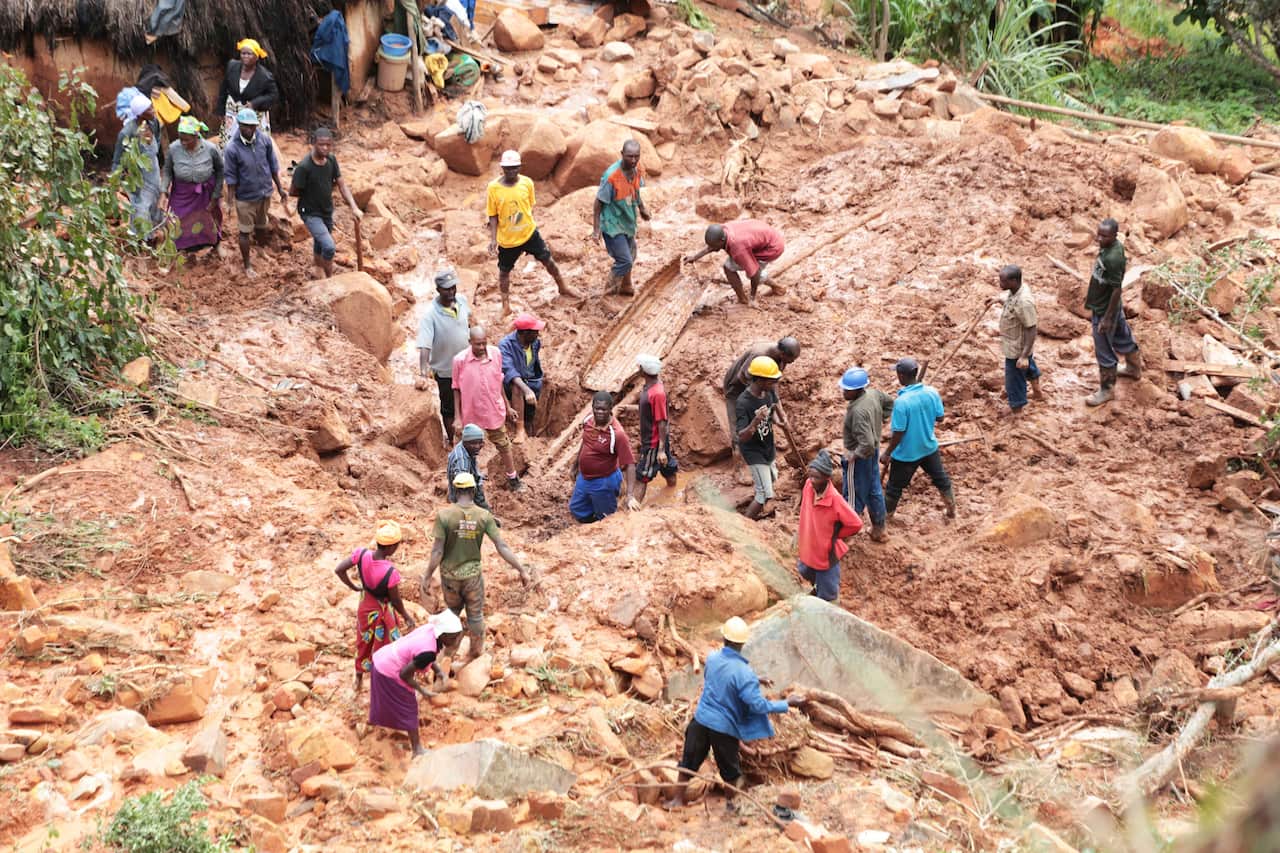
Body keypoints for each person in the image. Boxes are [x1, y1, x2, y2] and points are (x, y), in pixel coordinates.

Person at [665, 617, 804, 812]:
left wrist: (755, 679)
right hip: (723, 728)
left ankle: (677, 800)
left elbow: (722, 676)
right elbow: (757, 705)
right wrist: (786, 703)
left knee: (688, 761)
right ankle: (731, 806)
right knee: (730, 771)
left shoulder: (712, 658)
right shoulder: (744, 673)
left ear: (724, 639)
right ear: (742, 644)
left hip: (701, 720)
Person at [420, 473, 534, 663]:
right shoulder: (483, 516)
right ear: (473, 490)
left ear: (454, 490)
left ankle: (447, 654)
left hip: (449, 577)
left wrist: (427, 576)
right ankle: (475, 653)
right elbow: (501, 546)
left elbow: (437, 551)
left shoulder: (444, 516)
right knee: (475, 615)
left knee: (452, 613)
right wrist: (521, 570)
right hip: (472, 577)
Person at [486, 150, 580, 316]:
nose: (511, 171)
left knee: (548, 260)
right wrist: (493, 239)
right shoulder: (493, 188)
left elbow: (529, 206)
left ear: (520, 167)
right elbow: (492, 215)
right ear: (502, 168)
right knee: (504, 272)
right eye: (507, 168)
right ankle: (505, 305)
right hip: (508, 240)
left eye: (514, 167)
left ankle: (563, 287)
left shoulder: (527, 183)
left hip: (529, 233)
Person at [332, 520, 417, 691]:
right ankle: (383, 678)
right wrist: (407, 616)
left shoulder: (361, 554)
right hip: (381, 609)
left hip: (365, 604)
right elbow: (396, 600)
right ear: (390, 547)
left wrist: (354, 587)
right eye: (397, 545)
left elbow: (339, 569)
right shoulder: (390, 572)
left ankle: (358, 677)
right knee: (387, 643)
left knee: (363, 641)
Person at [368, 610, 463, 756]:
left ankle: (381, 721)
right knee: (409, 707)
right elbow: (405, 674)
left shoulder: (430, 629)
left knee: (390, 699)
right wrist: (423, 691)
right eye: (454, 637)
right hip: (388, 669)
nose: (456, 642)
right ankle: (417, 749)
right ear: (443, 635)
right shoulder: (428, 651)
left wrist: (439, 671)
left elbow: (424, 655)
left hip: (382, 658)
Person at [881, 358, 955, 521]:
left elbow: (899, 433)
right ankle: (951, 509)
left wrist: (887, 453)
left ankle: (885, 519)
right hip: (928, 447)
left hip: (907, 454)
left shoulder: (901, 402)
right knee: (941, 479)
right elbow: (940, 417)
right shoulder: (931, 392)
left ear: (901, 375)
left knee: (894, 488)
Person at [452, 326, 525, 492]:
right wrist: (457, 417)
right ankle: (470, 479)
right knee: (469, 447)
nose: (482, 347)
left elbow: (498, 382)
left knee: (503, 444)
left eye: (484, 343)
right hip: (472, 412)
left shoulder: (496, 354)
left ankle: (513, 478)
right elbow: (456, 388)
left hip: (493, 410)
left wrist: (507, 407)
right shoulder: (460, 360)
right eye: (477, 344)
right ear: (470, 342)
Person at [290, 127, 362, 279]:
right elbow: (293, 191)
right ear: (314, 143)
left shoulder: (331, 160)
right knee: (329, 247)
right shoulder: (304, 167)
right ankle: (330, 280)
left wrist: (354, 207)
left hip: (326, 210)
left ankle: (318, 268)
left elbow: (342, 185)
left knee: (320, 242)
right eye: (321, 144)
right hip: (310, 212)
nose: (325, 148)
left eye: (328, 145)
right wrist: (312, 192)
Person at [223, 108, 286, 276]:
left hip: (264, 193)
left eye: (253, 126)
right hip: (245, 198)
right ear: (239, 125)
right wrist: (229, 202)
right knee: (245, 232)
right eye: (245, 126)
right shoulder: (232, 149)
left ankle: (261, 250)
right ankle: (247, 266)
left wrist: (280, 189)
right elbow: (231, 177)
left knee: (262, 226)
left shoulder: (264, 140)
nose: (250, 129)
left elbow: (273, 166)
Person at [1085, 218, 1141, 406]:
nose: (1099, 239)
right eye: (1099, 234)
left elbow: (1117, 289)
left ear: (1115, 236)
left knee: (1104, 349)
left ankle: (1107, 390)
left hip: (1105, 308)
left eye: (1105, 236)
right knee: (1122, 335)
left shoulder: (1113, 258)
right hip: (1110, 305)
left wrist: (1107, 318)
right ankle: (1133, 369)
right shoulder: (1110, 247)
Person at [796, 450, 862, 603]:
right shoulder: (808, 486)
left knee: (828, 591)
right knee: (805, 570)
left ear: (827, 478)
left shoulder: (835, 500)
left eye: (817, 477)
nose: (812, 480)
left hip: (825, 551)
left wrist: (836, 534)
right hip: (809, 543)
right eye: (811, 476)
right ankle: (817, 589)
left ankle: (826, 603)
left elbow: (856, 524)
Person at [415, 268, 472, 446]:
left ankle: (470, 436)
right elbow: (425, 345)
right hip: (446, 370)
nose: (451, 291)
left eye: (453, 287)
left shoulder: (462, 301)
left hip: (468, 365)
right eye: (447, 289)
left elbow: (470, 323)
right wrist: (423, 372)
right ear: (438, 289)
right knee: (449, 407)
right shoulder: (430, 315)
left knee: (468, 400)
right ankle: (454, 442)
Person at [839, 367, 893, 542]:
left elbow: (867, 443)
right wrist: (879, 420)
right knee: (873, 490)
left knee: (853, 495)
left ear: (857, 390)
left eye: (847, 390)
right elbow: (890, 403)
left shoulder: (858, 412)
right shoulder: (873, 394)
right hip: (873, 453)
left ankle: (845, 535)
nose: (843, 392)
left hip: (860, 457)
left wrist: (853, 455)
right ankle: (879, 529)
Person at [592, 139, 651, 296]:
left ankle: (626, 285)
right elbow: (598, 203)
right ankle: (609, 292)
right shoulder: (611, 177)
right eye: (630, 156)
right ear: (622, 154)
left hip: (627, 220)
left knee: (631, 254)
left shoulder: (636, 170)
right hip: (612, 224)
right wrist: (596, 230)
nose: (633, 160)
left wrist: (642, 208)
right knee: (624, 260)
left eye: (636, 156)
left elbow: (635, 190)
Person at [570, 391, 639, 523]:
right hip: (585, 477)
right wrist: (576, 465)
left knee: (607, 518)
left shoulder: (617, 434)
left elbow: (630, 464)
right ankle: (593, 523)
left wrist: (630, 495)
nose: (600, 412)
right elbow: (585, 442)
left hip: (604, 481)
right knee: (577, 509)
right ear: (592, 407)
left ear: (610, 409)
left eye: (604, 409)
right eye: (597, 408)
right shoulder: (588, 420)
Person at [723, 338, 800, 453]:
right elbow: (742, 377)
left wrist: (781, 413)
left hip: (757, 385)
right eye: (792, 359)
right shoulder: (759, 355)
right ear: (783, 354)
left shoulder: (782, 359)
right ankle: (738, 452)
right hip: (736, 386)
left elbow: (774, 383)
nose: (792, 362)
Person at [735, 356, 790, 520]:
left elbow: (772, 412)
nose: (775, 384)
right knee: (764, 494)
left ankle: (754, 506)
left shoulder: (768, 392)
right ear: (760, 380)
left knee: (772, 479)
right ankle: (745, 523)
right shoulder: (743, 402)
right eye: (772, 381)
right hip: (754, 451)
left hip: (767, 447)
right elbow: (742, 436)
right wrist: (755, 422)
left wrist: (779, 422)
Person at [159, 115, 224, 252]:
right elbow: (167, 170)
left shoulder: (211, 149)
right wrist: (164, 191)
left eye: (186, 139)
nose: (183, 142)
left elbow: (220, 170)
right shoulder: (174, 148)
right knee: (176, 220)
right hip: (182, 192)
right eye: (181, 138)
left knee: (210, 219)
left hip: (205, 192)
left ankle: (216, 243)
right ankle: (178, 249)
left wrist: (216, 195)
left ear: (196, 136)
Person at [684, 220, 785, 305]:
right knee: (732, 266)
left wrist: (752, 298)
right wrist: (695, 257)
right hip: (766, 234)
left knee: (749, 272)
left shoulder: (738, 248)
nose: (712, 248)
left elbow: (755, 273)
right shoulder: (724, 229)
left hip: (772, 248)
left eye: (714, 246)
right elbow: (712, 246)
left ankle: (752, 296)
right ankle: (743, 297)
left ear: (722, 240)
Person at [113, 94, 164, 237]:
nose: (154, 110)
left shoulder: (154, 123)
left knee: (155, 203)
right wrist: (116, 182)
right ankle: (140, 239)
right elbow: (117, 160)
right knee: (140, 206)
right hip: (137, 175)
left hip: (153, 171)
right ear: (141, 113)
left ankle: (153, 236)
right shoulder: (127, 132)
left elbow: (157, 141)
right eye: (150, 109)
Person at [994, 265, 1042, 414]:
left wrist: (1023, 356)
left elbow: (1031, 329)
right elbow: (1014, 306)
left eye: (1003, 281)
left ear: (1014, 281)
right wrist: (999, 300)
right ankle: (1037, 392)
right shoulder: (1016, 290)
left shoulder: (1024, 302)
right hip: (1018, 344)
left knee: (1014, 380)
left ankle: (1017, 409)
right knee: (1027, 367)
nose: (1000, 284)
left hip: (1016, 349)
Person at [634, 354, 677, 504]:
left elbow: (661, 421)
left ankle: (632, 511)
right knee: (667, 468)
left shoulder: (656, 393)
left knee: (642, 475)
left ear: (643, 370)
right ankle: (672, 494)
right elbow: (652, 411)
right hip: (658, 440)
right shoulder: (652, 386)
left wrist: (660, 450)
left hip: (653, 443)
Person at [217, 38, 279, 141]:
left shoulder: (265, 76)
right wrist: (220, 110)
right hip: (232, 113)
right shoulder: (232, 66)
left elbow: (273, 95)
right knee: (230, 141)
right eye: (243, 53)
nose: (245, 56)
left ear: (256, 57)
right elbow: (223, 88)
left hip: (253, 115)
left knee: (254, 141)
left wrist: (255, 103)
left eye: (249, 54)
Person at [498, 313, 546, 440]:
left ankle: (529, 432)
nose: (538, 334)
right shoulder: (505, 345)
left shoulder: (535, 343)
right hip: (512, 384)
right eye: (535, 332)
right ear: (525, 333)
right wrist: (526, 389)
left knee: (530, 412)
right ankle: (519, 430)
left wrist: (531, 386)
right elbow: (509, 371)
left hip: (532, 381)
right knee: (517, 387)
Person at [446, 424, 490, 511]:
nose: (477, 446)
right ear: (465, 442)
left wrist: (478, 475)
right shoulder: (461, 461)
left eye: (480, 442)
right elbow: (463, 486)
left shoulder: (466, 448)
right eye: (473, 443)